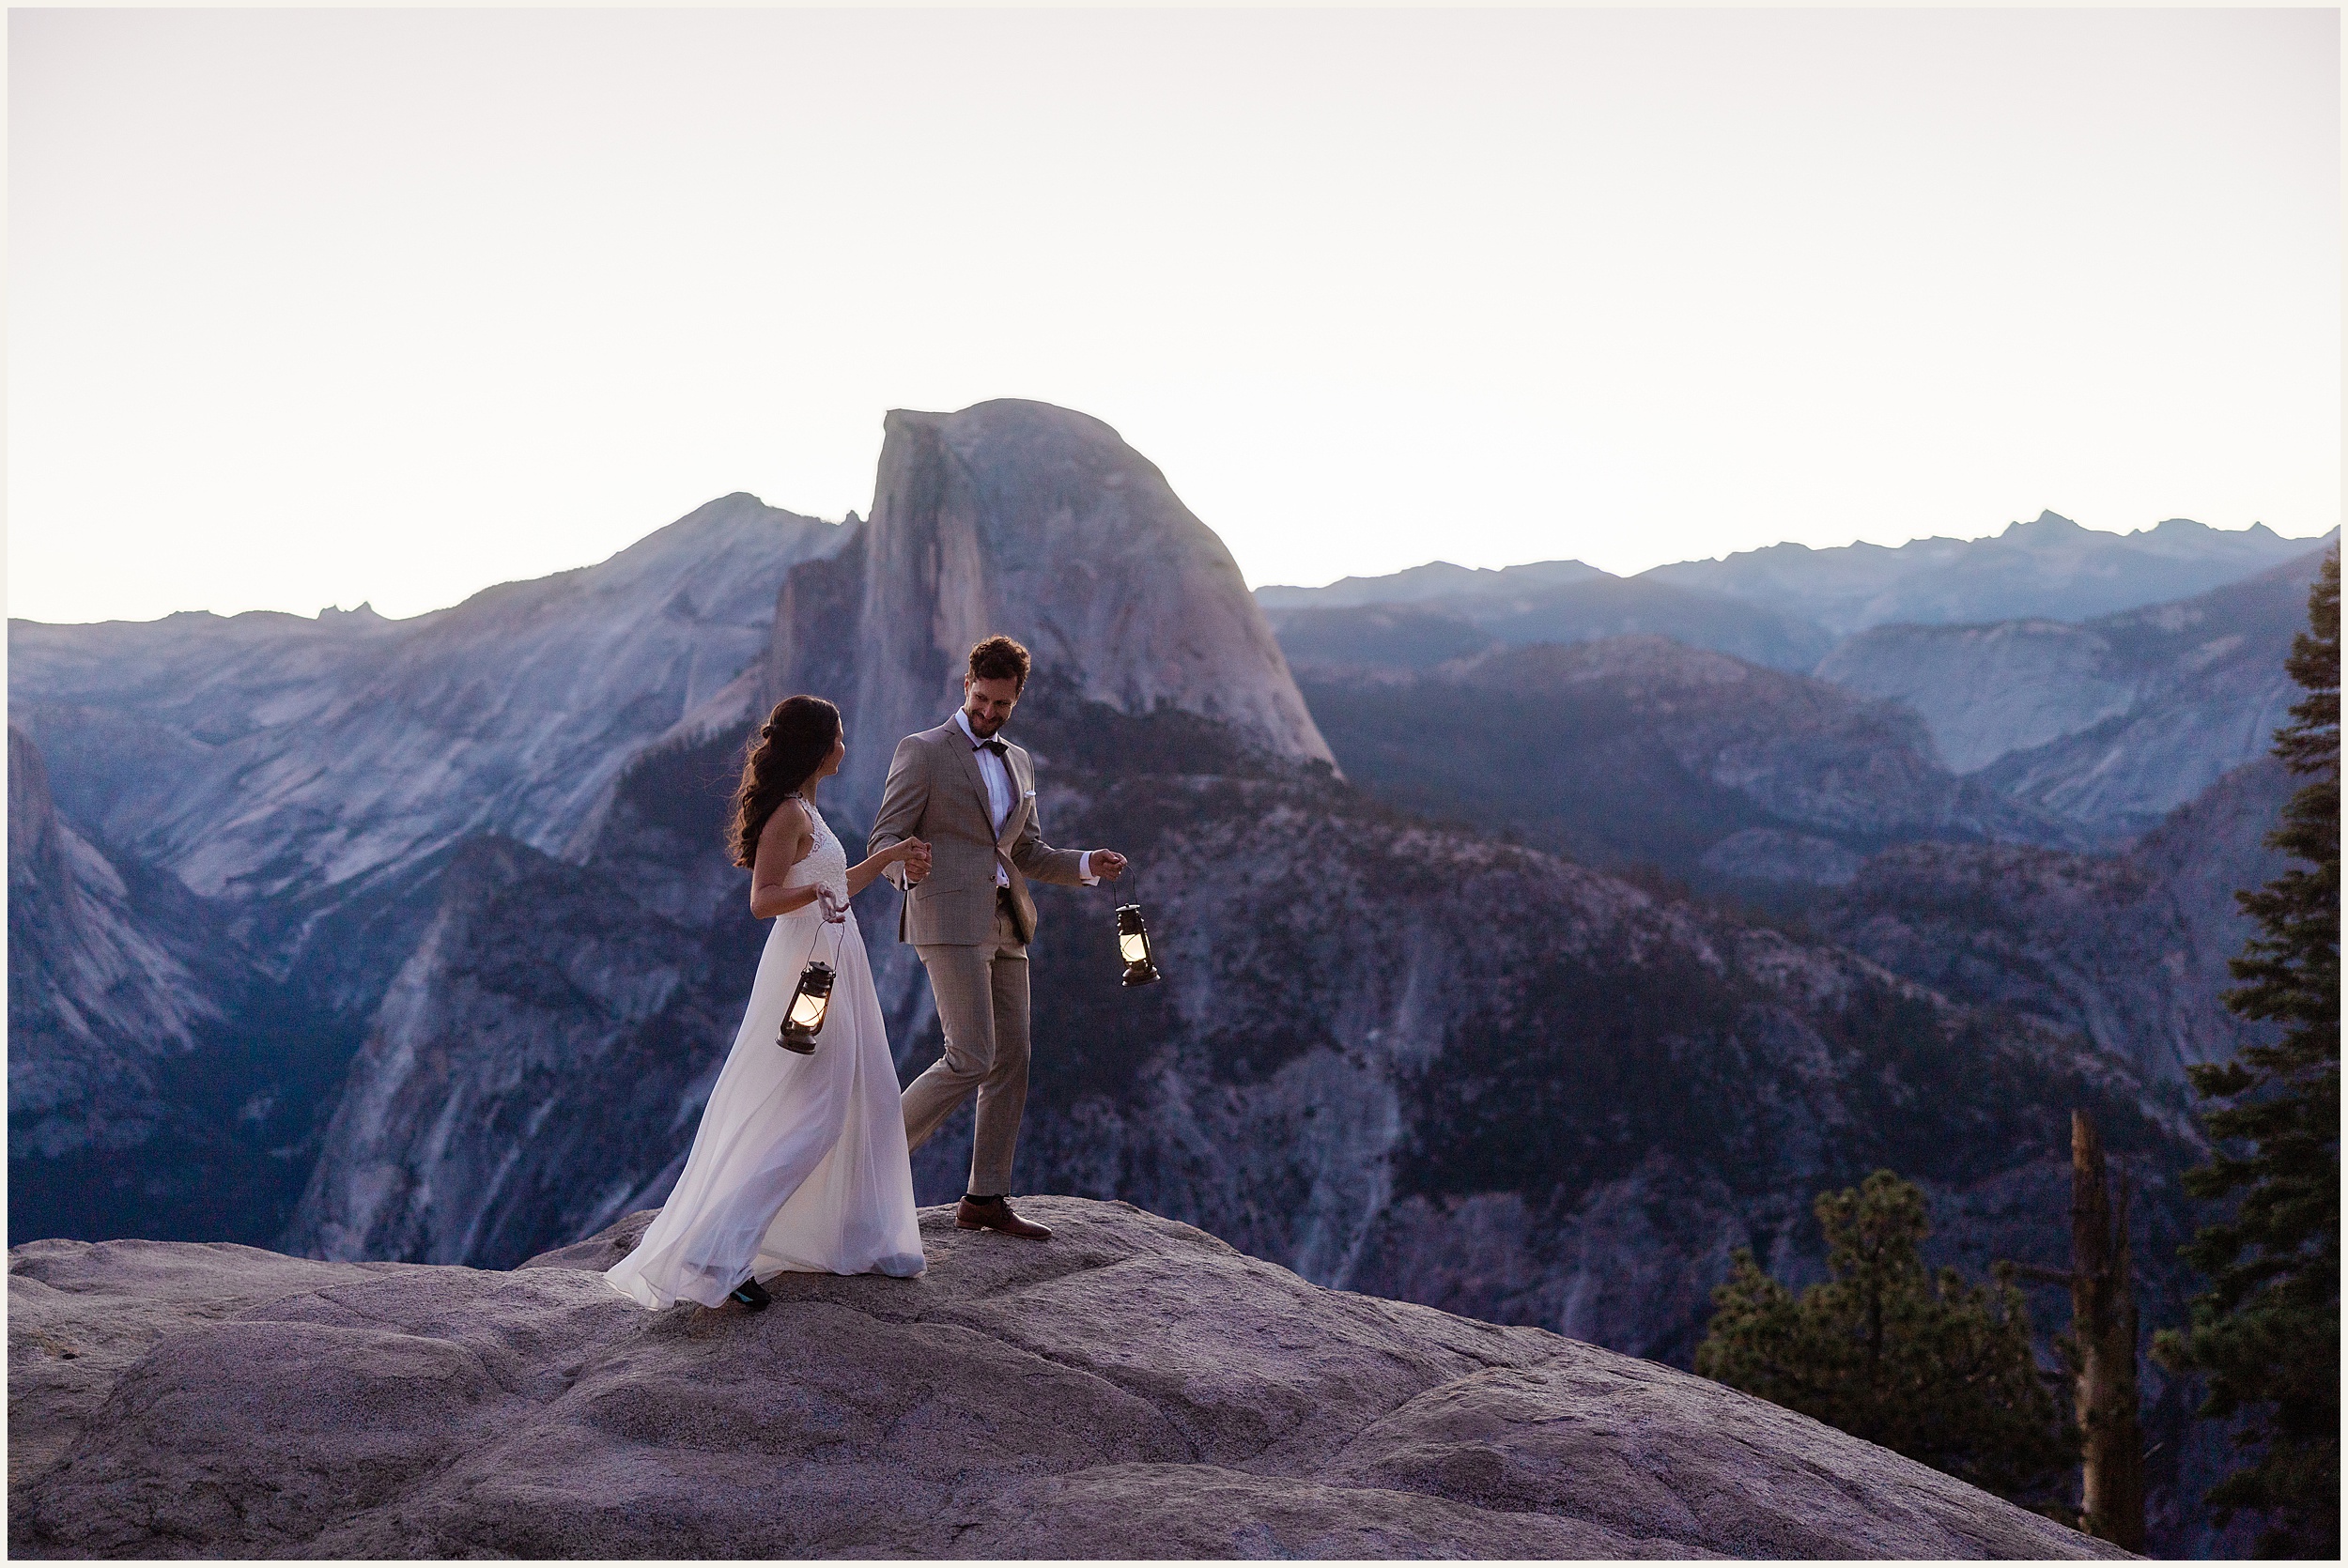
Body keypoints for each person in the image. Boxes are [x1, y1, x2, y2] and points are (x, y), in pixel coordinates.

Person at [606, 696, 933, 1311]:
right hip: (807, 969)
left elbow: (835, 885)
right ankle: (715, 1248)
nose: (845, 746)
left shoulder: (809, 807)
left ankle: (856, 1236)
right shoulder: (787, 814)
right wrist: (816, 888)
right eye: (838, 737)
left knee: (860, 1098)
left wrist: (884, 860)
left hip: (834, 961)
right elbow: (763, 899)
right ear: (815, 746)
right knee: (818, 1116)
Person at [868, 635, 1127, 1242]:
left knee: (1013, 1059)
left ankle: (985, 1198)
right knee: (971, 1055)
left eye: (1001, 706)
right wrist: (906, 866)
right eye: (981, 700)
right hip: (947, 921)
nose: (988, 714)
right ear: (965, 687)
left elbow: (1026, 850)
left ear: (1017, 700)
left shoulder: (1020, 762)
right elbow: (884, 840)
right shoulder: (923, 751)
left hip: (1009, 922)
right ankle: (866, 1159)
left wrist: (1088, 862)